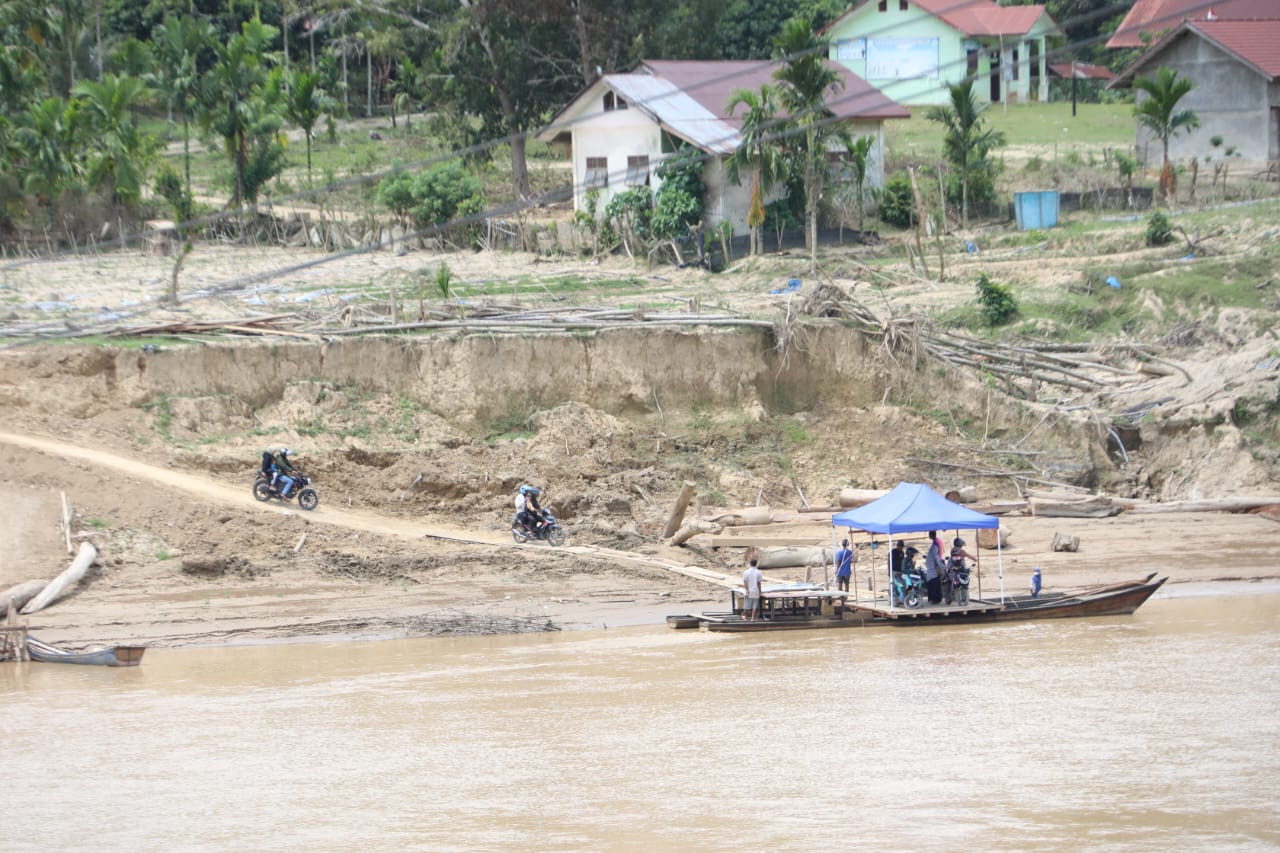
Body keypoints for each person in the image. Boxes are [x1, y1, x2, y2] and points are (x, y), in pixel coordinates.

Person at [949, 537, 976, 606]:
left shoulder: (952, 550)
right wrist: (975, 559)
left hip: (954, 569)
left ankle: (956, 595)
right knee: (964, 581)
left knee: (955, 581)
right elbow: (969, 556)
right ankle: (964, 598)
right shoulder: (961, 551)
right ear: (960, 544)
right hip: (962, 570)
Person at [924, 530, 945, 605]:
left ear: (931, 535)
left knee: (933, 583)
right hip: (932, 567)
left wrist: (941, 566)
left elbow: (936, 557)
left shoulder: (935, 545)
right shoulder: (935, 544)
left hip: (933, 567)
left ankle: (934, 599)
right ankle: (934, 599)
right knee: (934, 584)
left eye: (929, 534)